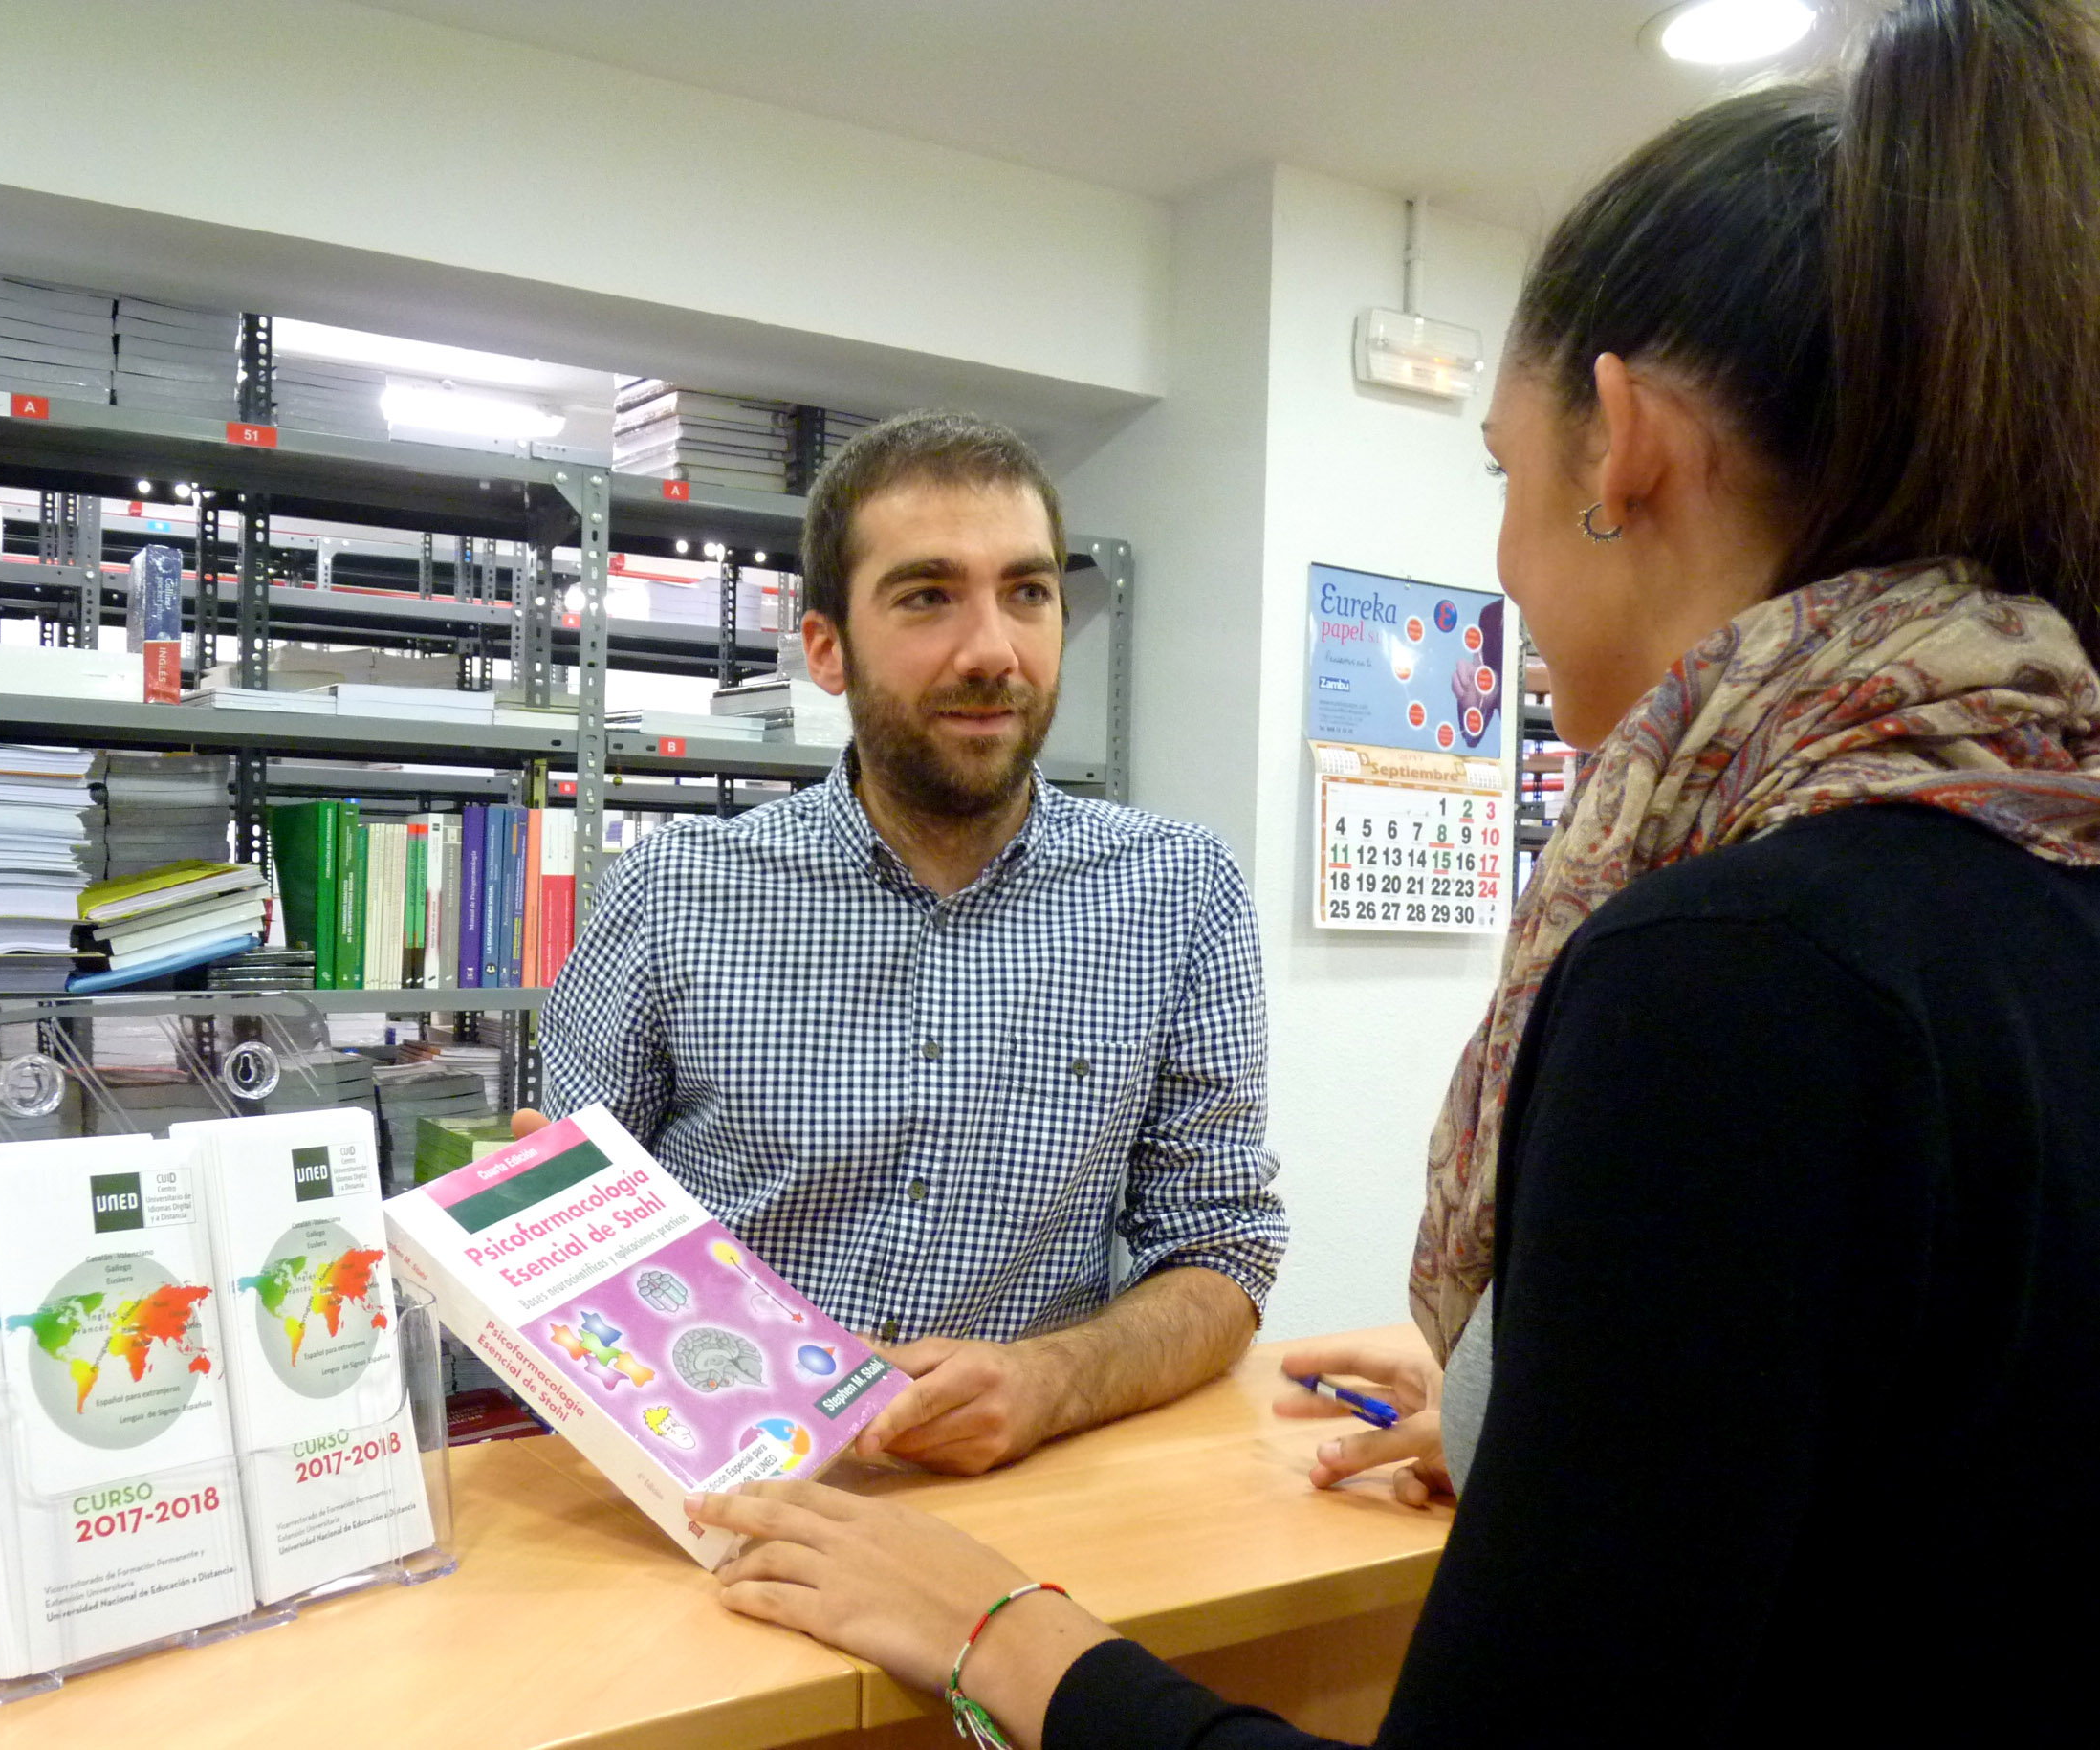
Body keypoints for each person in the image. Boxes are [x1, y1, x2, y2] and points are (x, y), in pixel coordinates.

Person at [681, 2, 2100, 1741]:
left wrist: (1001, 1631)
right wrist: (1536, 1428)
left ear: (1626, 446)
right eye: (925, 597)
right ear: (822, 646)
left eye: (1500, 472)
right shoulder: (2016, 873)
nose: (1497, 571)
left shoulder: (1736, 972)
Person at [535, 410, 1287, 1476]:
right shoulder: (673, 894)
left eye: (1027, 592)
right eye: (929, 595)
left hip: (1034, 1483)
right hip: (728, 1487)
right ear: (827, 649)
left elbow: (1219, 1248)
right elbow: (571, 1252)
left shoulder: (1177, 891)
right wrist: (532, 1232)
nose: (993, 649)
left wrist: (1053, 1382)